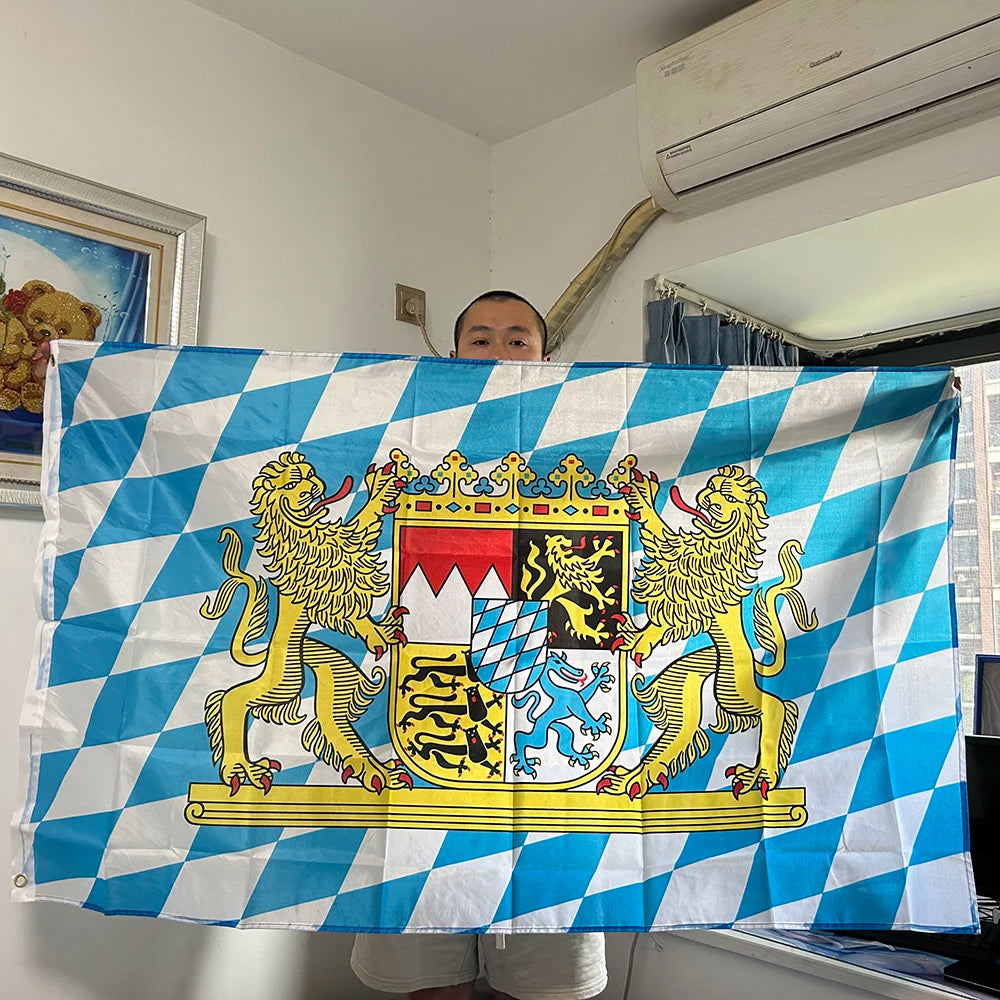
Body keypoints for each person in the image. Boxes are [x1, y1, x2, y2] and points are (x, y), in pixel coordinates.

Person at [350, 291, 607, 1000]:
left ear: (546, 356)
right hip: (424, 760)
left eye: (518, 339)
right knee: (430, 983)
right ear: (454, 354)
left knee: (552, 988)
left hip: (555, 788)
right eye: (481, 338)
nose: (499, 351)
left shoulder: (596, 437)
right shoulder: (404, 436)